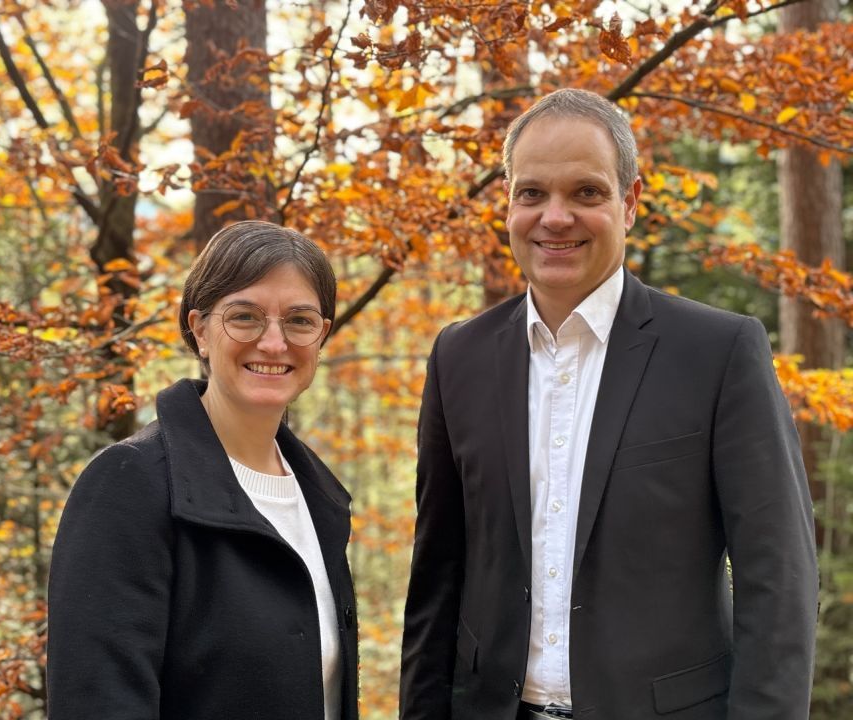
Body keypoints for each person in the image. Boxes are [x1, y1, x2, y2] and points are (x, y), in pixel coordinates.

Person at [399, 89, 818, 720]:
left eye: (586, 193)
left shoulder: (718, 352)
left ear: (629, 202)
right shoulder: (460, 356)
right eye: (532, 193)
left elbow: (778, 580)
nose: (555, 217)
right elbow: (437, 577)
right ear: (507, 203)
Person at [47, 220, 358, 720]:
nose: (274, 342)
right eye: (245, 316)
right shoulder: (131, 483)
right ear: (200, 330)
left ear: (321, 336)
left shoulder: (318, 498)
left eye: (300, 321)